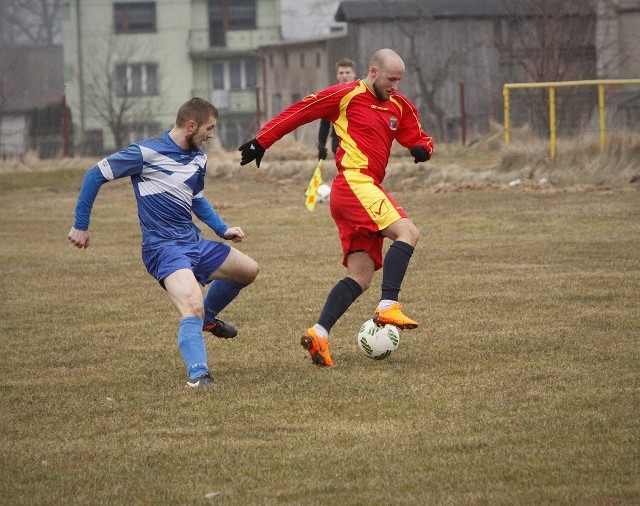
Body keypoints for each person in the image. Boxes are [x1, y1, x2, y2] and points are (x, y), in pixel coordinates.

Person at [239, 48, 433, 367]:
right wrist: (262, 141)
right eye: (390, 79)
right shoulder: (346, 95)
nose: (395, 85)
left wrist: (423, 149)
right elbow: (302, 111)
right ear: (373, 71)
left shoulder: (399, 104)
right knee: (408, 233)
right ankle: (388, 305)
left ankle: (319, 334)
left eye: (399, 80)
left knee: (361, 275)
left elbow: (418, 135)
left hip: (356, 192)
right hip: (355, 184)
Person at [68, 97, 259, 388]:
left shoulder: (198, 157)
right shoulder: (145, 153)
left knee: (248, 269)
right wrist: (80, 225)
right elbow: (95, 175)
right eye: (209, 128)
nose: (211, 135)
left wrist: (222, 229)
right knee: (192, 304)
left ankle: (207, 319)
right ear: (191, 126)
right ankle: (198, 377)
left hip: (192, 242)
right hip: (163, 249)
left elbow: (196, 198)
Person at [317, 58, 356, 161]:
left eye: (347, 72)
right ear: (337, 75)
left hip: (360, 145)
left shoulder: (363, 94)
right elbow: (324, 124)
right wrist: (321, 145)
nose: (344, 76)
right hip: (339, 146)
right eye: (341, 73)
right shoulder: (332, 96)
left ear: (354, 73)